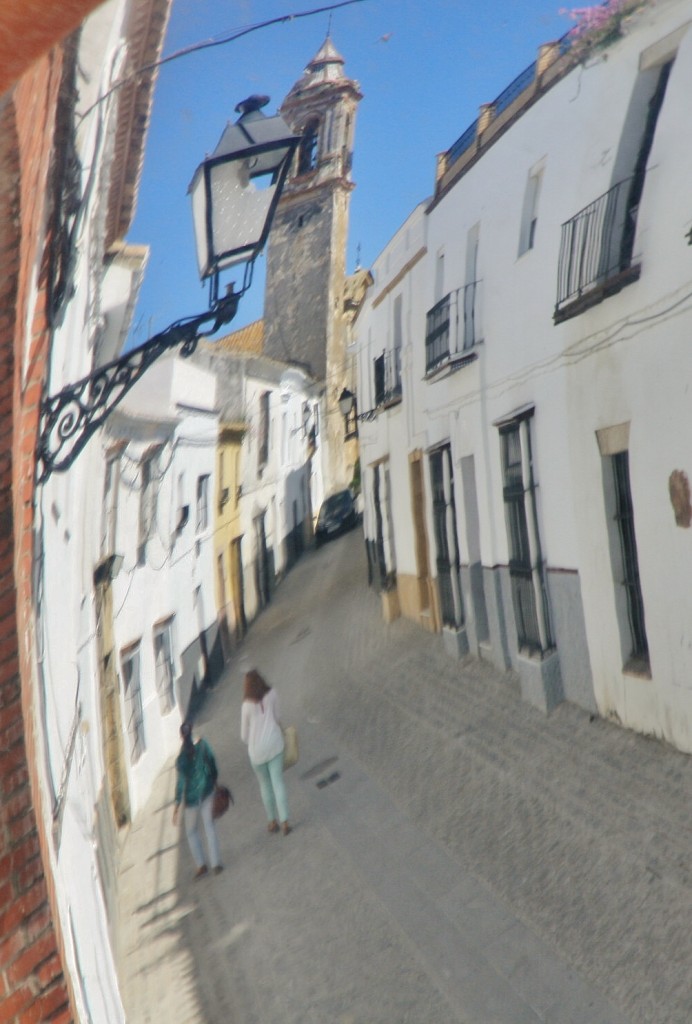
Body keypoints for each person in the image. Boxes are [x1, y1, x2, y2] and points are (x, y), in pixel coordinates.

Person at [241, 669, 291, 836]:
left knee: (265, 785)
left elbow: (243, 735)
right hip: (275, 745)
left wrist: (253, 741)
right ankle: (285, 821)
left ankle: (271, 821)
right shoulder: (272, 694)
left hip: (257, 752)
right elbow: (278, 718)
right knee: (278, 782)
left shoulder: (246, 706)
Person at [172, 722, 223, 878]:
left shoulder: (181, 759)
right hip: (207, 790)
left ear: (181, 736)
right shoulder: (202, 744)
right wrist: (214, 779)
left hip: (192, 799)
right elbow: (212, 761)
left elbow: (181, 783)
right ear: (192, 731)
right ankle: (216, 864)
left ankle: (201, 865)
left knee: (191, 831)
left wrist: (176, 805)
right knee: (209, 827)